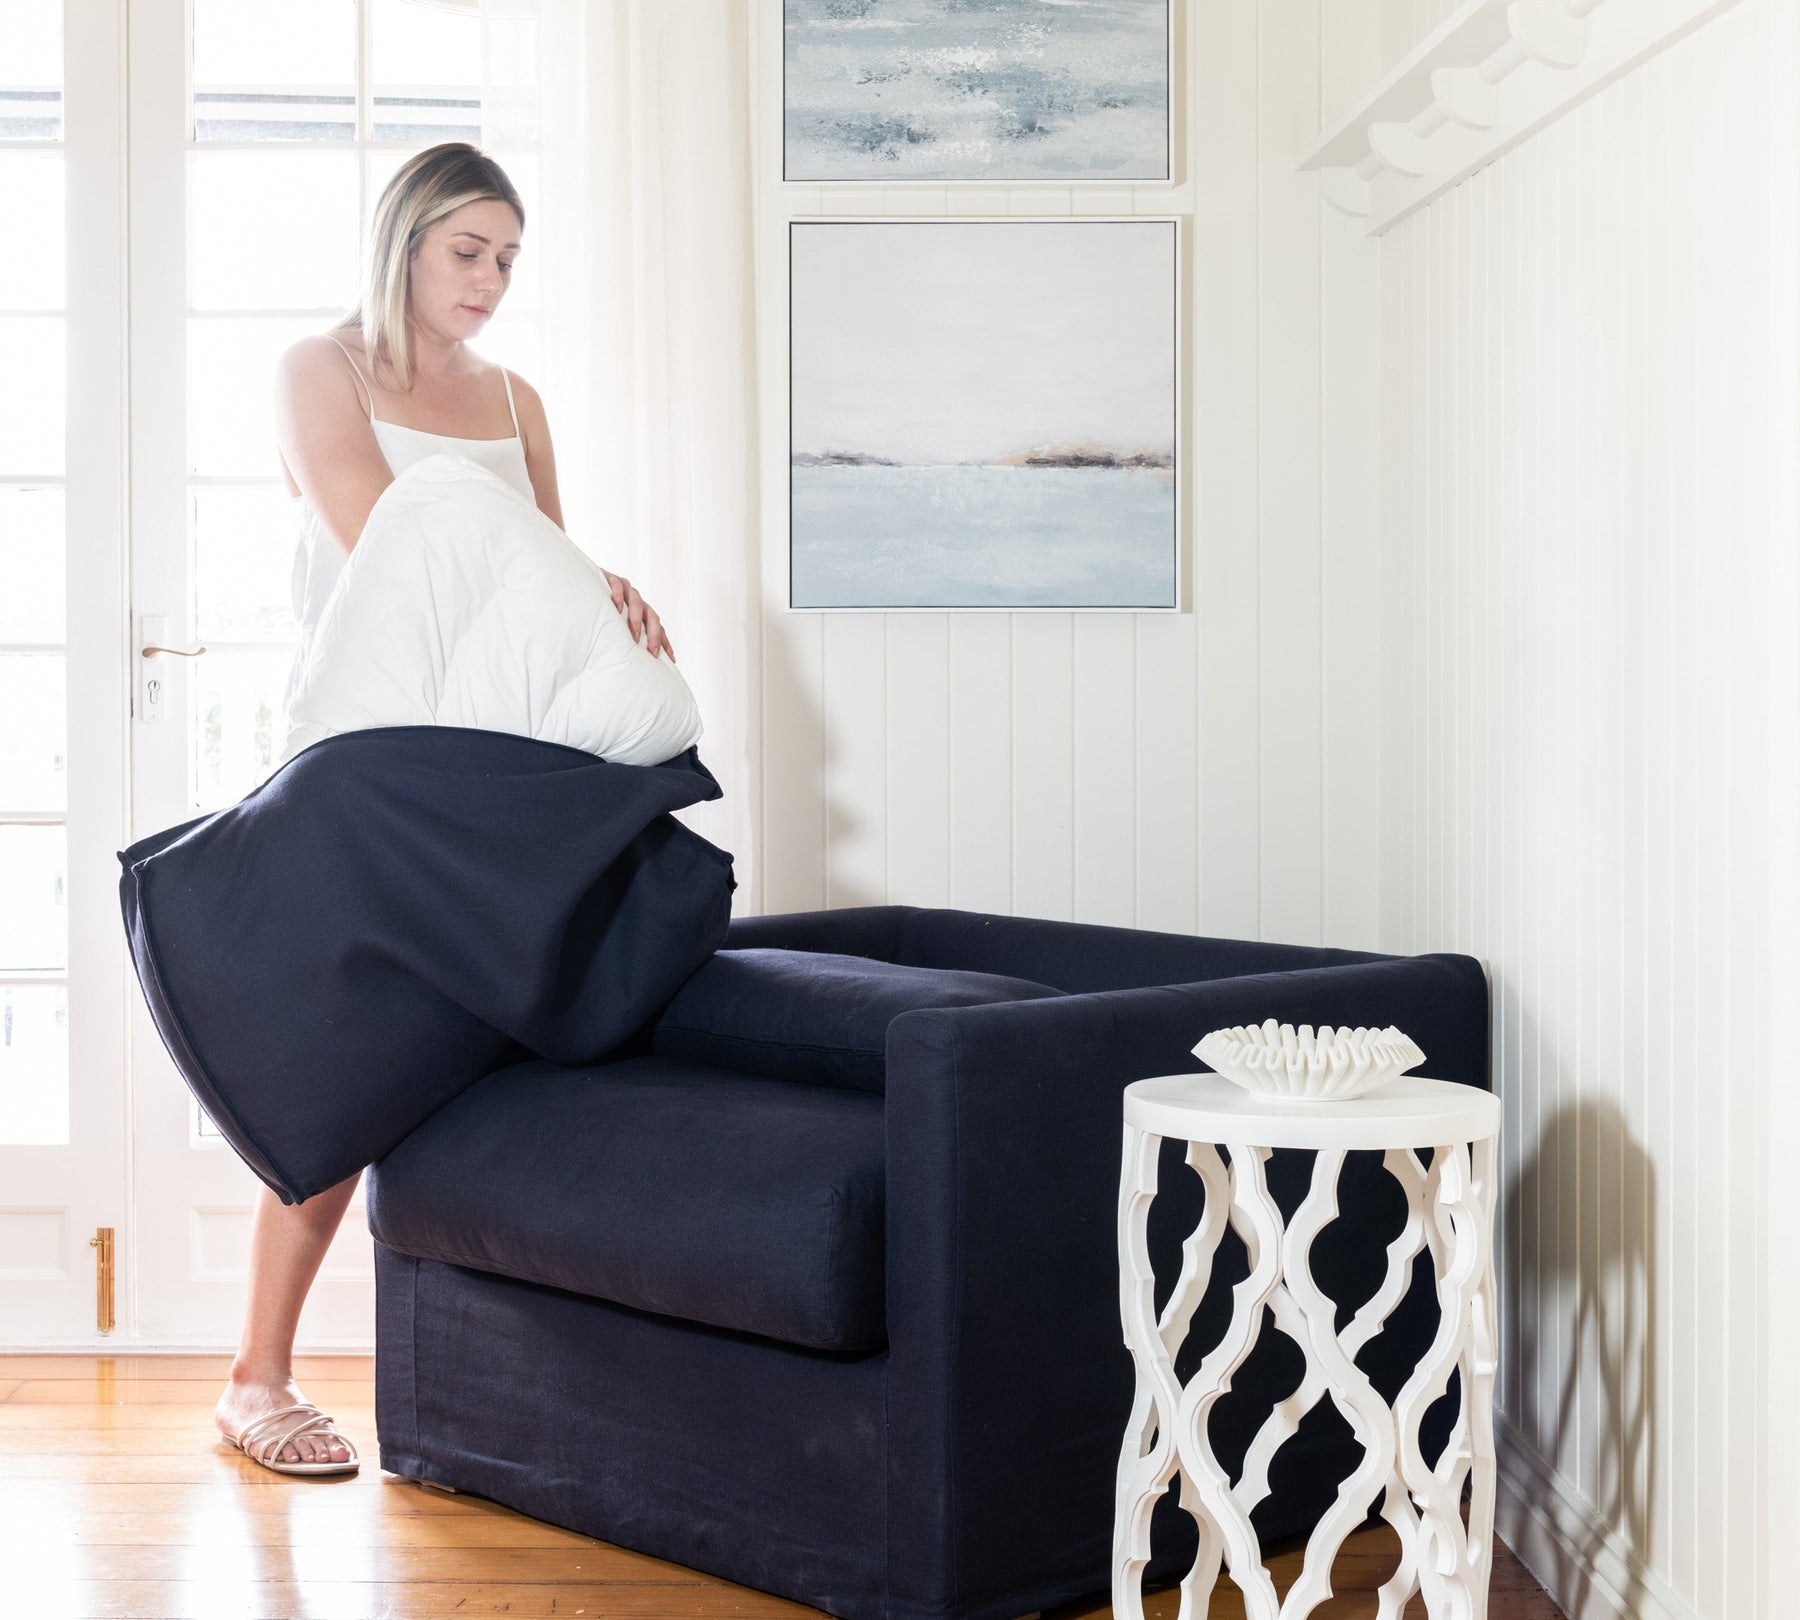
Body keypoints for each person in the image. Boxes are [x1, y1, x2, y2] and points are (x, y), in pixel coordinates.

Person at [214, 141, 675, 1476]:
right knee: (341, 1068)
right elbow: (389, 544)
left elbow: (549, 566)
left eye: (510, 260)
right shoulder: (321, 370)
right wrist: (559, 591)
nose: (491, 279)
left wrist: (608, 588)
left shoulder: (518, 400)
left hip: (508, 768)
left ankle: (499, 1390)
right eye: (469, 251)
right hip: (368, 770)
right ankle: (255, 1380)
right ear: (403, 241)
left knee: (508, 1056)